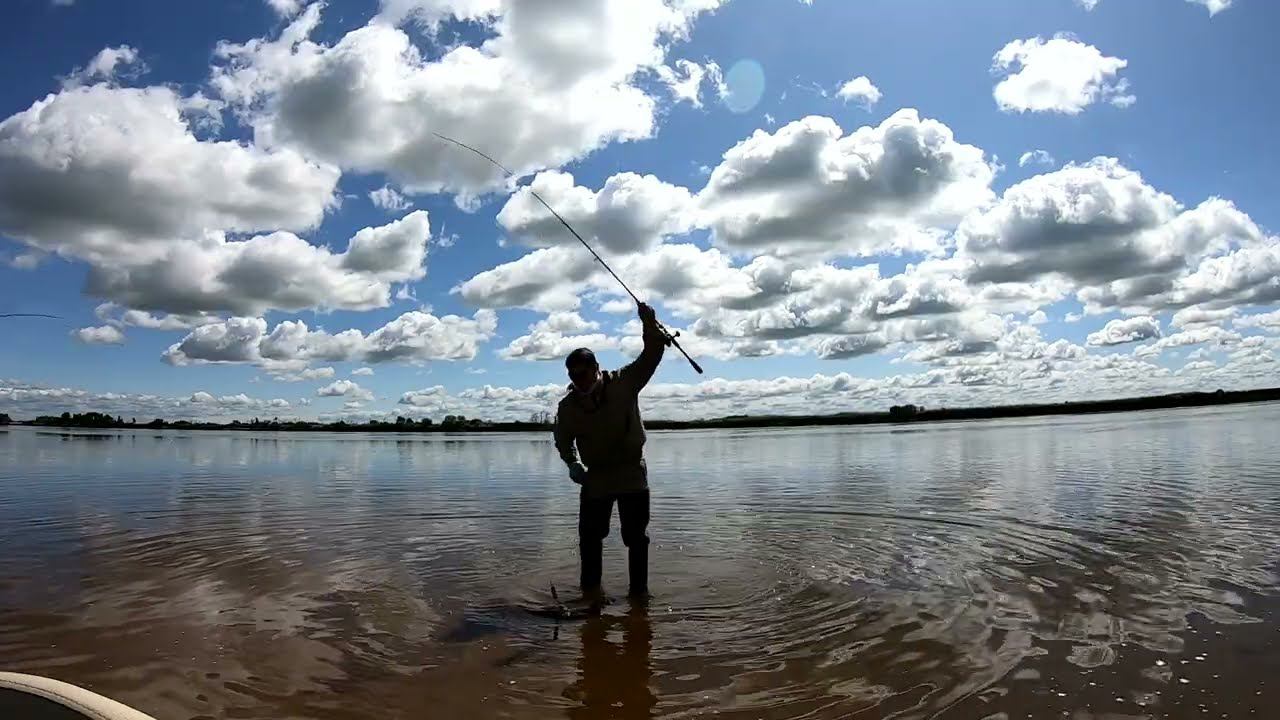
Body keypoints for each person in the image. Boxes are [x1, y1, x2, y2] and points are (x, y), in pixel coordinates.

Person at [553, 301, 666, 600]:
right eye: (574, 375)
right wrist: (571, 463)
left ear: (596, 369)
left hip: (631, 472)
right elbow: (562, 439)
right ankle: (590, 593)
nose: (580, 379)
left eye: (584, 372)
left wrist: (649, 324)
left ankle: (638, 597)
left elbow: (652, 354)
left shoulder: (624, 382)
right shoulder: (567, 408)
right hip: (596, 478)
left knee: (635, 537)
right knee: (590, 538)